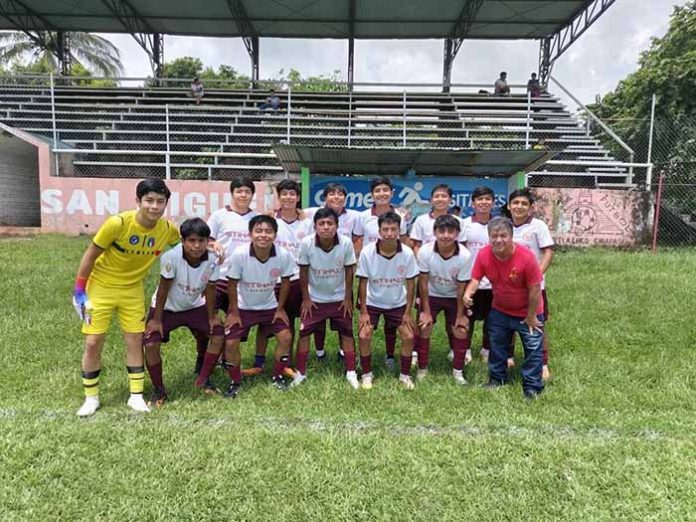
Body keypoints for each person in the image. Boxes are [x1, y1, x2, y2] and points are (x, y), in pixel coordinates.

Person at [72, 178, 182, 417]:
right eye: (149, 200)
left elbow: (186, 247)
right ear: (138, 201)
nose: (154, 206)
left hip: (132, 290)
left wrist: (212, 245)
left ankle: (136, 396)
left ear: (166, 204)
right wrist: (79, 291)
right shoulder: (118, 223)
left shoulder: (166, 229)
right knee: (93, 342)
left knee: (134, 340)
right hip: (100, 288)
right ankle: (91, 398)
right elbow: (90, 255)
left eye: (160, 201)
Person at [195, 215, 296, 397]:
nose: (263, 235)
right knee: (231, 343)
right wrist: (234, 311)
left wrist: (280, 308)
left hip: (270, 307)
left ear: (275, 235)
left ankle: (277, 376)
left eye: (268, 231)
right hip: (243, 308)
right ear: (250, 234)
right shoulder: (240, 254)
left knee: (286, 337)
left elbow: (286, 282)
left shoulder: (283, 255)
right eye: (258, 231)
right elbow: (232, 283)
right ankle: (235, 381)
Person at [143, 218, 224, 406]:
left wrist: (212, 316)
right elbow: (163, 289)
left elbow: (211, 288)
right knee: (151, 343)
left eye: (201, 241)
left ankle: (203, 377)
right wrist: (156, 320)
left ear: (208, 241)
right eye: (191, 241)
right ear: (182, 241)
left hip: (194, 305)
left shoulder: (213, 259)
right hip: (167, 308)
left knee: (218, 333)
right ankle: (159, 389)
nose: (196, 246)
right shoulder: (171, 257)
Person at [463, 217, 545, 399]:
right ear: (489, 237)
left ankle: (532, 387)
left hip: (529, 312)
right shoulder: (484, 254)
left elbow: (535, 289)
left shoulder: (526, 257)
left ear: (511, 236)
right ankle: (497, 380)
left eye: (503, 235)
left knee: (532, 350)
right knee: (497, 347)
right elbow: (475, 278)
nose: (498, 240)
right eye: (494, 236)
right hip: (500, 310)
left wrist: (531, 316)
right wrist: (468, 293)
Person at [247, 179, 312, 376]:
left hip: (297, 279)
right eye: (284, 194)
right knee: (266, 323)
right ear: (279, 196)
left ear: (298, 197)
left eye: (292, 194)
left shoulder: (306, 221)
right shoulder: (270, 219)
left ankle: (287, 362)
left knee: (290, 322)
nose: (288, 197)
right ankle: (258, 362)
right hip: (272, 280)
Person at [293, 207, 358, 389]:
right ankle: (300, 373)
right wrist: (306, 298)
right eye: (321, 224)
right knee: (304, 333)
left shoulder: (346, 243)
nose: (326, 227)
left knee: (347, 333)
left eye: (330, 223)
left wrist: (347, 298)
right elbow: (303, 271)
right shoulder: (306, 243)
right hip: (314, 300)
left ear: (337, 226)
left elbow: (349, 270)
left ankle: (351, 372)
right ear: (315, 227)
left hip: (339, 299)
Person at [357, 212, 419, 390]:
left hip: (397, 303)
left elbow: (411, 283)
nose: (389, 233)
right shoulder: (367, 252)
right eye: (385, 229)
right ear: (379, 231)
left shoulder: (407, 253)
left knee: (408, 336)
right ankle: (367, 374)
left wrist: (408, 312)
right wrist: (363, 312)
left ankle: (405, 376)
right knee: (364, 335)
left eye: (393, 229)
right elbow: (362, 283)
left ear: (399, 230)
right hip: (372, 303)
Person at [353, 176, 409, 370]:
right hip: (371, 272)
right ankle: (362, 359)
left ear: (392, 193)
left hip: (392, 272)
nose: (382, 194)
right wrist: (360, 260)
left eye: (385, 190)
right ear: (372, 194)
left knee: (392, 320)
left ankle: (390, 356)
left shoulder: (401, 215)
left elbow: (404, 241)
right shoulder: (363, 217)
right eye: (377, 190)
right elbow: (357, 239)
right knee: (367, 323)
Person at [304, 182, 361, 362]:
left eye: (340, 194)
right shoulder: (313, 212)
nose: (336, 197)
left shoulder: (355, 216)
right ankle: (320, 352)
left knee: (343, 320)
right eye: (332, 193)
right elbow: (293, 212)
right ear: (325, 197)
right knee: (318, 321)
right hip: (319, 273)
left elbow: (358, 237)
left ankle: (343, 353)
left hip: (340, 273)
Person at [415, 215, 473, 385]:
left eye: (450, 231)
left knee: (461, 329)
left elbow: (461, 288)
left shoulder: (465, 255)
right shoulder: (425, 251)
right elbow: (423, 282)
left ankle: (458, 372)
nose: (446, 235)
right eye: (442, 231)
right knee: (424, 326)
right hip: (431, 294)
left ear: (457, 234)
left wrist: (460, 315)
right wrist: (426, 312)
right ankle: (422, 369)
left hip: (455, 296)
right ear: (435, 232)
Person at [506, 188, 554, 381]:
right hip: (508, 288)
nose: (519, 207)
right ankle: (508, 357)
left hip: (534, 288)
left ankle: (542, 363)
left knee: (538, 323)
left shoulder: (538, 226)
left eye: (524, 204)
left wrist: (536, 276)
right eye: (516, 203)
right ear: (509, 206)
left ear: (531, 207)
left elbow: (548, 253)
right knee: (507, 323)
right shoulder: (504, 227)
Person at [206, 177, 258, 314]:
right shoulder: (219, 216)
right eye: (239, 191)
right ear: (232, 193)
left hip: (243, 279)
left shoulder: (256, 218)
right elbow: (204, 241)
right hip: (219, 276)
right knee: (210, 317)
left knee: (236, 320)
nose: (243, 195)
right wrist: (213, 244)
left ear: (252, 195)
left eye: (247, 192)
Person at [461, 186, 495, 365]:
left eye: (487, 199)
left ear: (493, 203)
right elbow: (459, 252)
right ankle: (465, 350)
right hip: (471, 281)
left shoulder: (499, 225)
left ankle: (486, 350)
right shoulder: (464, 224)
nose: (484, 202)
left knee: (492, 319)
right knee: (468, 317)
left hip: (494, 282)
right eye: (480, 199)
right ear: (473, 203)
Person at [410, 184, 467, 256]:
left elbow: (462, 245)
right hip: (426, 261)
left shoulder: (458, 221)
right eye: (436, 196)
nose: (440, 199)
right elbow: (416, 245)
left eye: (444, 196)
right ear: (431, 200)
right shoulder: (421, 220)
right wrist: (421, 261)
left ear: (450, 200)